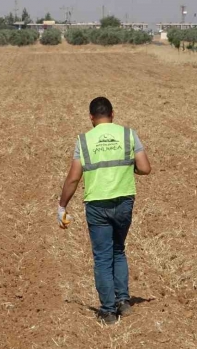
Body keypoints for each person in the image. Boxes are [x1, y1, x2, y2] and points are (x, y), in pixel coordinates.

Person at [57, 96, 151, 325]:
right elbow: (145, 168)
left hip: (97, 204)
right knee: (118, 250)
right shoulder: (128, 134)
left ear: (91, 117)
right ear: (113, 114)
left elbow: (73, 178)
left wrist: (62, 205)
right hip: (124, 201)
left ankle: (108, 311)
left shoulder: (84, 141)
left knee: (102, 258)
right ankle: (123, 302)